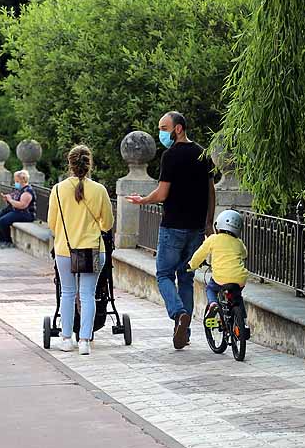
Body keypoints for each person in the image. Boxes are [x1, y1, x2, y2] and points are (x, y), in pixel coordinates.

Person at [127, 111, 215, 350]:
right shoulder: (202, 152)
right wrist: (209, 223)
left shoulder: (170, 156)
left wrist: (143, 200)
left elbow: (162, 193)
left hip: (173, 226)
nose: (161, 133)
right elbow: (211, 191)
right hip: (196, 228)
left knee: (164, 275)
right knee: (186, 277)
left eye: (164, 128)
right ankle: (184, 332)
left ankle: (178, 315)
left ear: (178, 129)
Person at [47, 145, 114, 355]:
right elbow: (108, 223)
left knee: (67, 292)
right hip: (93, 248)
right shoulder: (99, 190)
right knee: (88, 294)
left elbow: (51, 223)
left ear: (70, 164)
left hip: (65, 250)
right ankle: (85, 341)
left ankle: (66, 339)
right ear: (89, 163)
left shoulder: (58, 190)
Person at [188, 210, 249, 332]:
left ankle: (213, 304)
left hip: (220, 277)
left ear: (219, 224)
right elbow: (244, 254)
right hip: (239, 278)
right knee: (237, 296)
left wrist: (191, 265)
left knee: (211, 288)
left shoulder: (213, 239)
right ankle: (242, 322)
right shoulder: (239, 242)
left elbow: (199, 254)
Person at [0, 170, 36, 249]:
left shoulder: (28, 191)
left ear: (23, 180)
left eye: (17, 181)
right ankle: (2, 240)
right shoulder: (18, 190)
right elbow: (13, 199)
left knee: (2, 221)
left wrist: (10, 200)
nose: (16, 183)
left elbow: (22, 205)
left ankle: (8, 241)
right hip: (16, 211)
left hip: (25, 214)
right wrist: (7, 198)